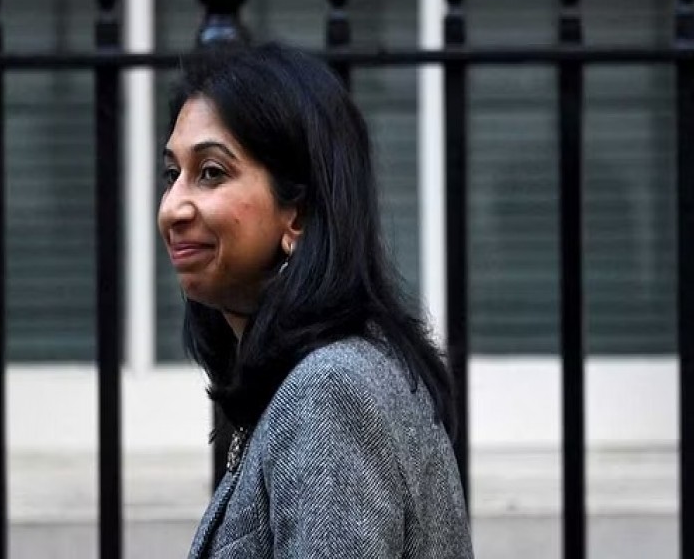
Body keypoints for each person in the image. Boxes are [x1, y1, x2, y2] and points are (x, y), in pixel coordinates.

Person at [158, 42, 473, 558]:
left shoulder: (328, 391)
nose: (172, 208)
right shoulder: (323, 374)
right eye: (173, 175)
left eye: (211, 172)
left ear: (297, 215)